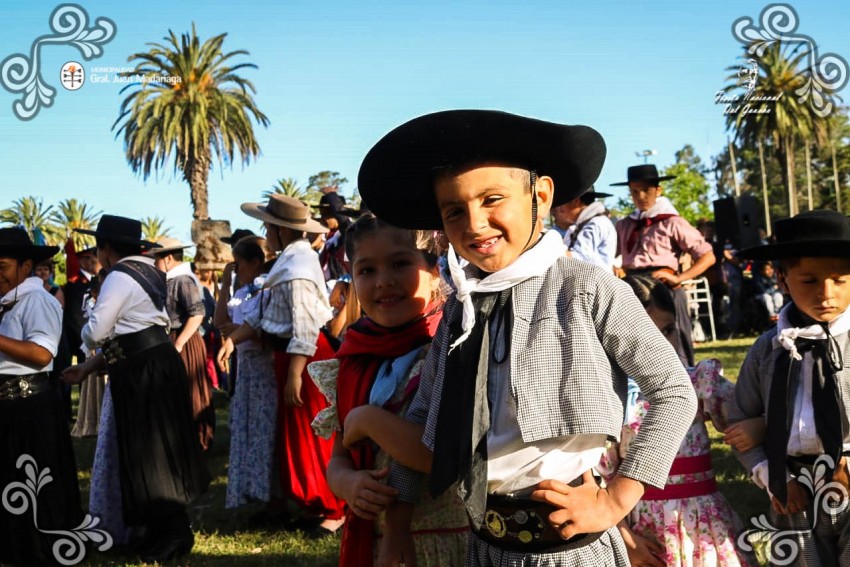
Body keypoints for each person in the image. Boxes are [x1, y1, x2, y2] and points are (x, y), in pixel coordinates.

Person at [358, 109, 697, 565]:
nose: (475, 224)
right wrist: (396, 526)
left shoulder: (587, 287)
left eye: (493, 199)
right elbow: (425, 421)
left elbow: (674, 390)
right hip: (486, 547)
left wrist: (618, 498)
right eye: (455, 210)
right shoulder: (461, 308)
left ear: (540, 194)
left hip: (570, 549)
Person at [310, 213, 469, 565]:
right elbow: (339, 456)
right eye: (367, 271)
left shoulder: (450, 348)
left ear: (433, 272)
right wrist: (348, 482)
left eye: (400, 264)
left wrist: (367, 419)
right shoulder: (353, 360)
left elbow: (439, 456)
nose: (383, 281)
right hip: (377, 541)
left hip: (447, 540)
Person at [61, 215, 210, 564]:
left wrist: (84, 343)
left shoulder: (119, 276)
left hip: (145, 369)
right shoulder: (148, 271)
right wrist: (88, 368)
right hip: (151, 362)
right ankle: (159, 530)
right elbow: (131, 334)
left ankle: (174, 531)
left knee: (152, 452)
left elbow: (97, 332)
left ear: (107, 249)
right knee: (150, 451)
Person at [599, 274, 751, 567]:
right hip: (641, 532)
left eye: (667, 331)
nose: (660, 346)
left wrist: (755, 427)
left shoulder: (696, 383)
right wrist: (626, 541)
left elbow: (745, 413)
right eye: (643, 335)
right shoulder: (609, 398)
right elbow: (601, 479)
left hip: (702, 526)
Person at [217, 194, 345, 535]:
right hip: (290, 356)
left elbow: (303, 325)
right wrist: (233, 339)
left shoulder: (297, 269)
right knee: (299, 437)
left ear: (278, 230)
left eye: (268, 227)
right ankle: (312, 504)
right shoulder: (289, 263)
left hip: (301, 357)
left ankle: (333, 508)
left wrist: (294, 375)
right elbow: (263, 316)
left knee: (313, 435)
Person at [727, 209, 850, 566]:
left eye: (840, 280)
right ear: (781, 278)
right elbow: (740, 419)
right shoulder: (768, 350)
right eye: (809, 281)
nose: (827, 294)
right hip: (792, 488)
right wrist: (772, 476)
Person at [0, 227, 83, 567]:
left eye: (2, 266)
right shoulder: (10, 301)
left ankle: (38, 552)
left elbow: (41, 354)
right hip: (9, 407)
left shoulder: (39, 300)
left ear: (26, 266)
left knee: (32, 487)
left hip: (28, 407)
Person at [612, 164, 716, 366]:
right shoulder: (624, 225)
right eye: (634, 191)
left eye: (646, 190)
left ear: (658, 190)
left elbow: (708, 256)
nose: (640, 196)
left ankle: (686, 388)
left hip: (665, 289)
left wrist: (680, 278)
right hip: (633, 290)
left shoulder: (672, 222)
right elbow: (608, 255)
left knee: (676, 345)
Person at [223, 235, 279, 509]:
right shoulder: (241, 293)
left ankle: (266, 493)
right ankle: (248, 490)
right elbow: (220, 322)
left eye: (239, 264)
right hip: (246, 369)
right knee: (246, 427)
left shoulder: (264, 291)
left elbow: (263, 330)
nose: (237, 271)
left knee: (262, 429)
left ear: (256, 263)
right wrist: (225, 282)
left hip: (263, 369)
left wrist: (238, 333)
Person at [148, 238, 215, 451]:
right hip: (174, 339)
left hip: (185, 341)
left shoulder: (182, 280)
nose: (154, 264)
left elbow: (197, 314)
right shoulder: (170, 280)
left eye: (156, 259)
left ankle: (196, 440)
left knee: (189, 391)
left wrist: (179, 343)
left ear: (168, 259)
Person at [557, 187, 617, 271]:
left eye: (562, 203)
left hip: (594, 282)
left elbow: (580, 258)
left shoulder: (597, 223)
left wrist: (551, 253)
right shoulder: (582, 226)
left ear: (576, 201)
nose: (560, 209)